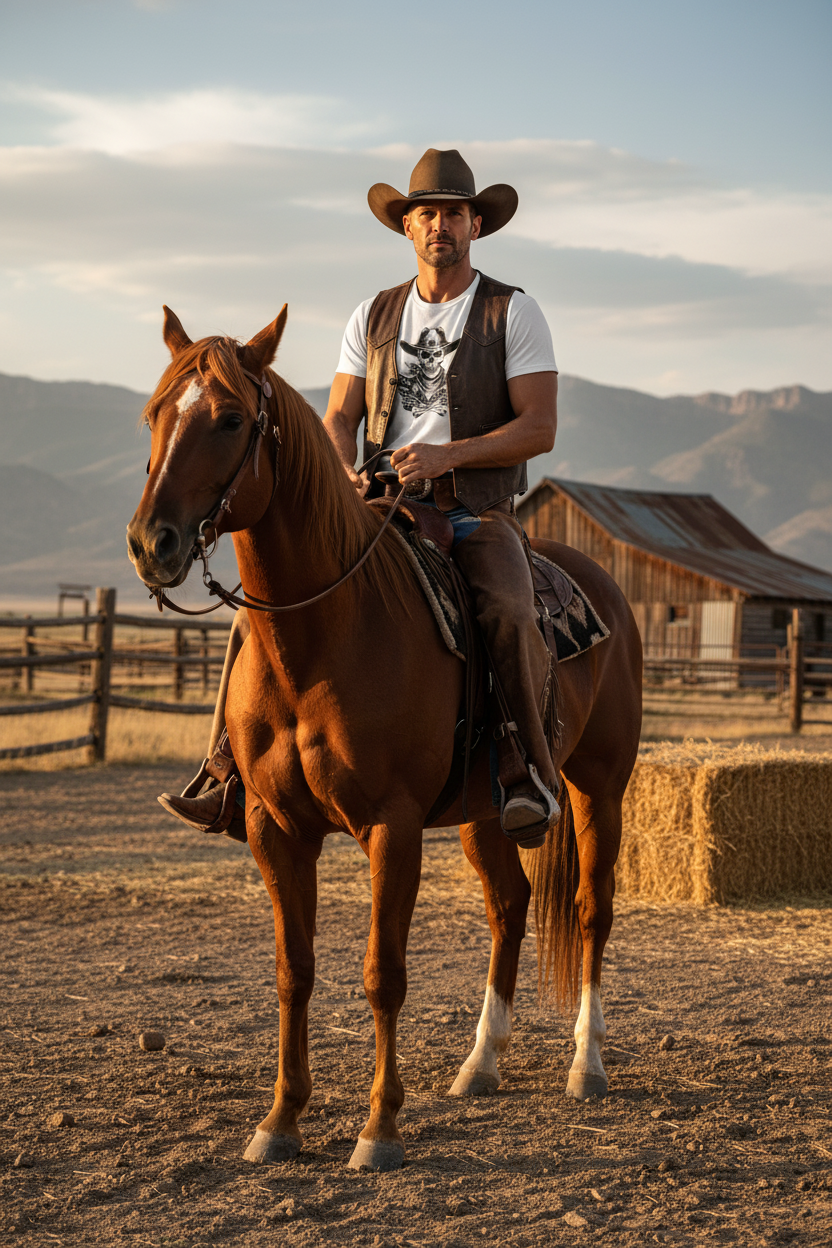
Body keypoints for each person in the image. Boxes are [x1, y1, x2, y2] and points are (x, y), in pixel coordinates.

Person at [160, 148, 560, 840]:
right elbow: (340, 417)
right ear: (407, 228)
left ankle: (526, 770)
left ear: (476, 226)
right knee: (260, 606)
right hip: (378, 505)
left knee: (507, 608)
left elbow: (539, 427)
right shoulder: (372, 316)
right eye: (427, 213)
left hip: (473, 511)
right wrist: (340, 468)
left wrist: (448, 454)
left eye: (455, 214)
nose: (441, 225)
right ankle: (227, 769)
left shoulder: (511, 314)